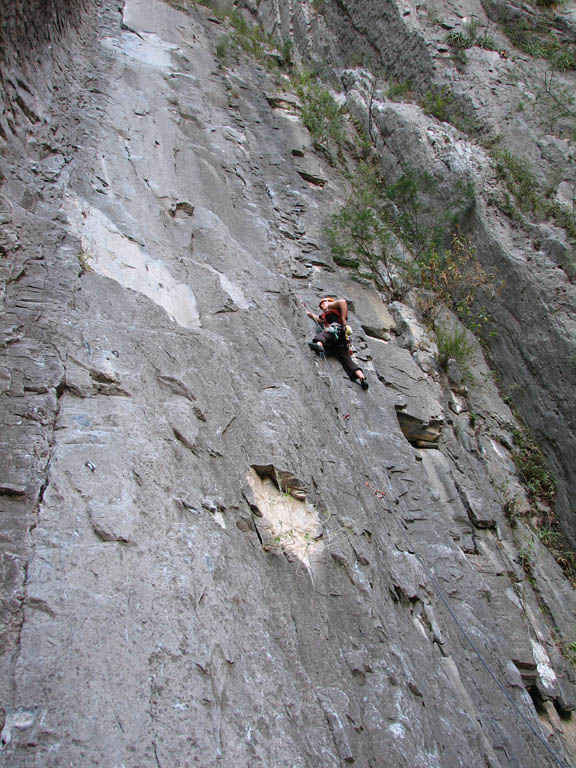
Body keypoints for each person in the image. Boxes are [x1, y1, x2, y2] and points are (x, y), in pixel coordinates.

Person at [306, 297, 368, 390]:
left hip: (337, 330)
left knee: (324, 335)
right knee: (347, 359)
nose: (321, 306)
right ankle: (362, 378)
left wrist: (343, 319)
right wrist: (310, 314)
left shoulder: (332, 306)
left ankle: (319, 345)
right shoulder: (326, 314)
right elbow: (319, 320)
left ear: (328, 301)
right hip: (341, 341)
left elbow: (342, 302)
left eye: (322, 303)